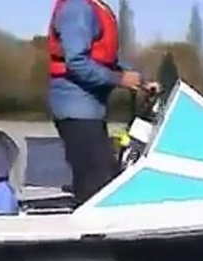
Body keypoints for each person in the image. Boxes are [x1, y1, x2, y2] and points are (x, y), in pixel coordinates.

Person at [48, 0, 159, 205]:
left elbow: (107, 59)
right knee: (98, 184)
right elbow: (76, 62)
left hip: (90, 111)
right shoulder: (78, 7)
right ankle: (92, 234)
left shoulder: (95, 7)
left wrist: (140, 81)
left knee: (108, 176)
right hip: (75, 109)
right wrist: (119, 79)